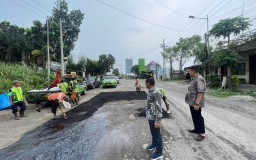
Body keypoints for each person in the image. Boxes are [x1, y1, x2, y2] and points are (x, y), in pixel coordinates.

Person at [185, 66, 206, 141]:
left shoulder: (199, 79)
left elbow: (200, 92)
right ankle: (197, 129)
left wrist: (197, 104)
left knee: (198, 116)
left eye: (190, 71)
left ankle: (202, 133)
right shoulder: (194, 79)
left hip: (196, 102)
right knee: (194, 116)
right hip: (192, 101)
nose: (189, 73)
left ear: (194, 71)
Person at [145, 77, 163, 160]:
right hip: (151, 116)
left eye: (146, 83)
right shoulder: (151, 91)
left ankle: (159, 153)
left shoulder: (156, 92)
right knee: (153, 133)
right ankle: (154, 144)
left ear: (149, 83)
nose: (145, 84)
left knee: (157, 134)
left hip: (154, 117)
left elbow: (159, 108)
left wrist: (157, 121)